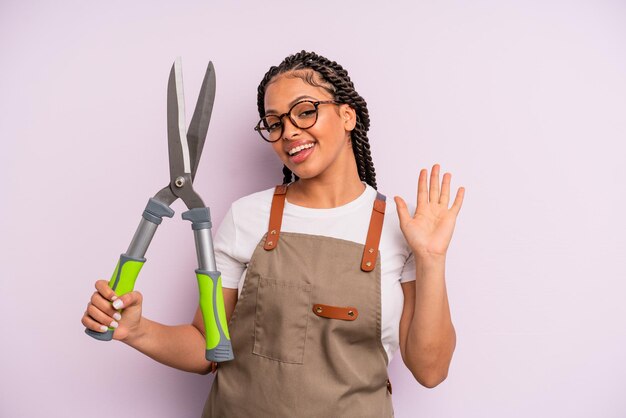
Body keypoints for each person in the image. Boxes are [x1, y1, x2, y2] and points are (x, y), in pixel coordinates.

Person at [81, 50, 465, 417]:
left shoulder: (401, 229)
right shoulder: (248, 216)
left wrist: (431, 259)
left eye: (305, 111)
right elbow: (206, 347)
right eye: (275, 122)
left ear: (348, 115)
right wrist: (137, 330)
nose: (289, 132)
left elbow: (430, 371)